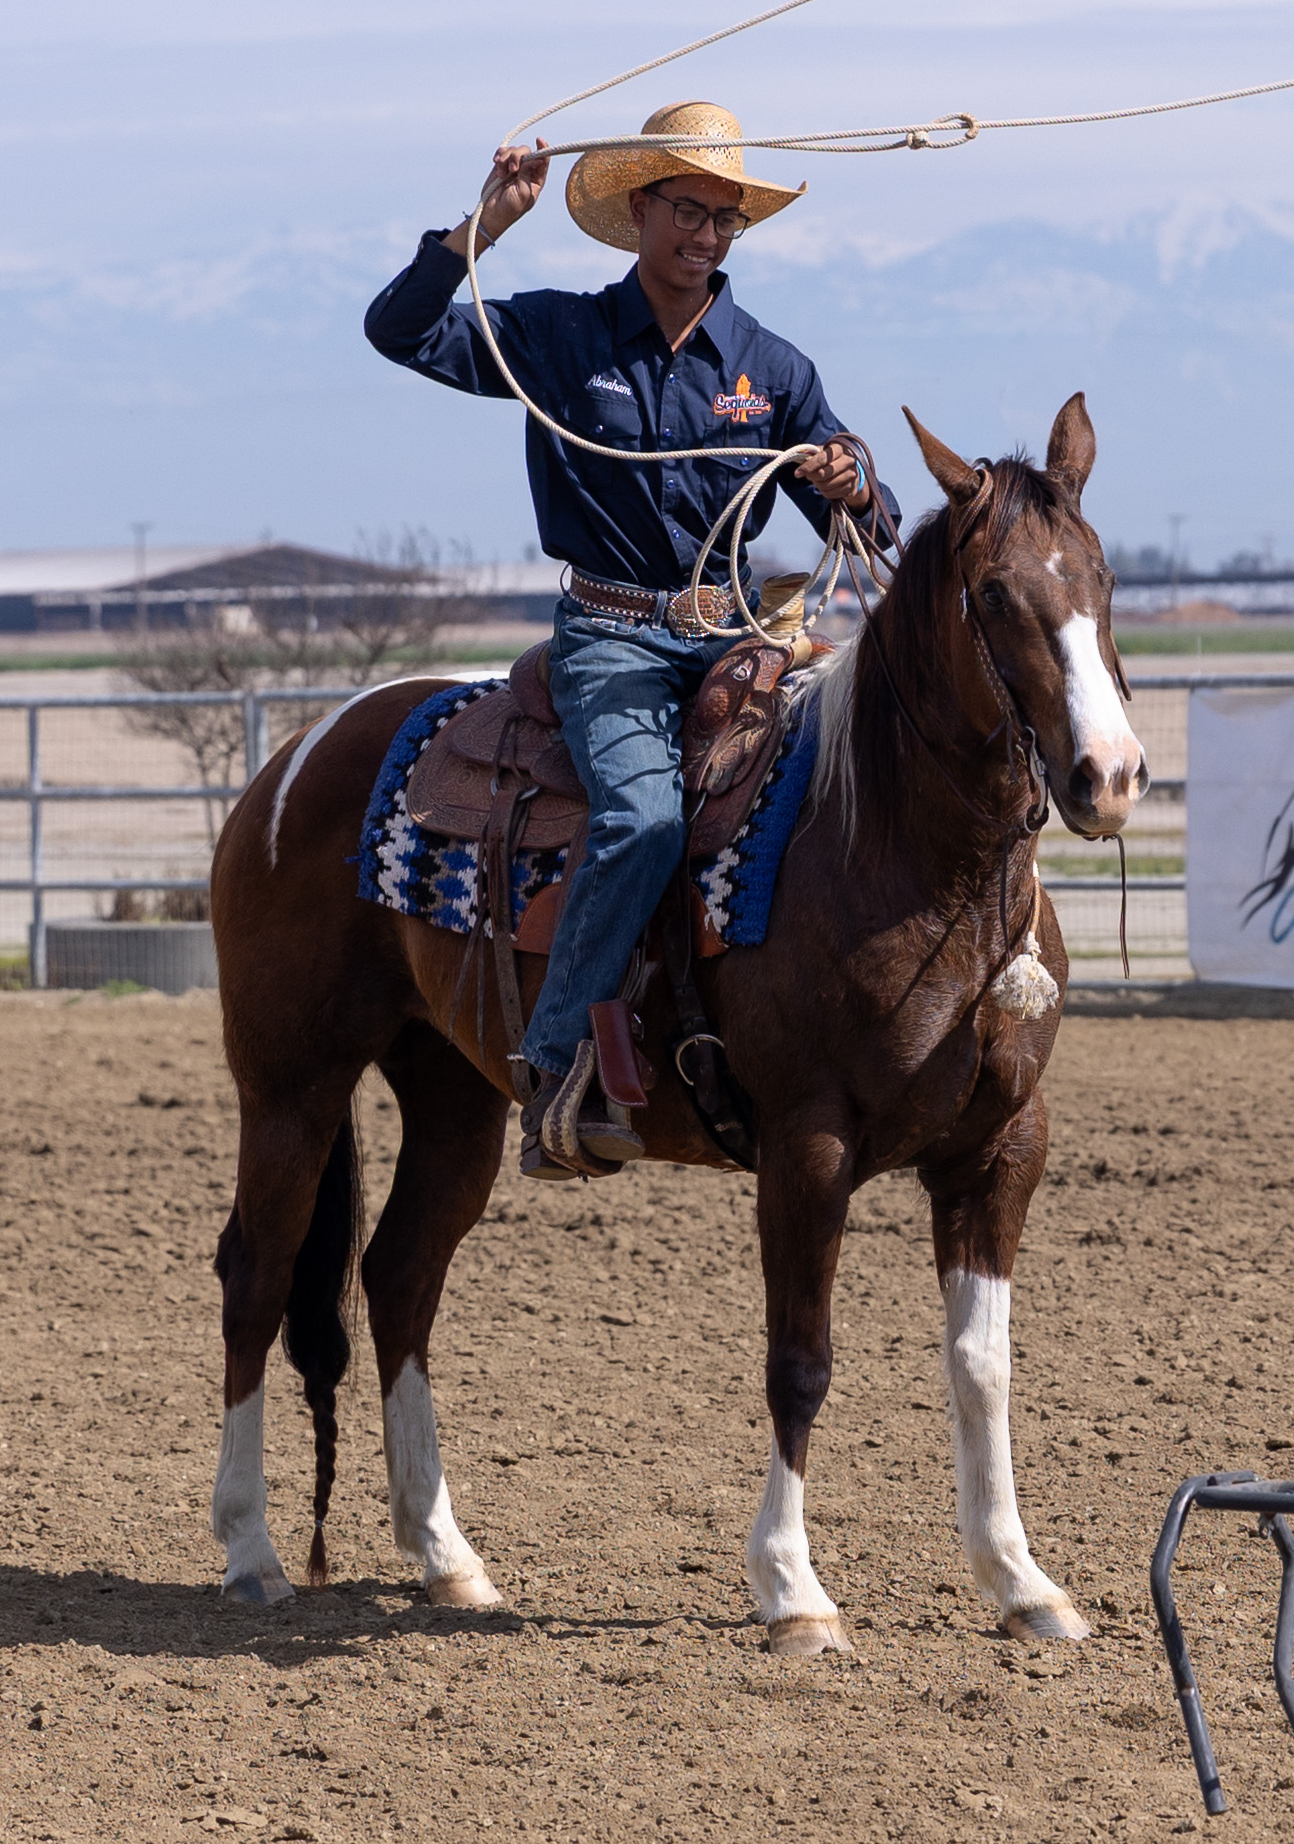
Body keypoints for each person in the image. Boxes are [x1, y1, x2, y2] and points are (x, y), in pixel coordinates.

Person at [365, 99, 898, 1178]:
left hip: (743, 633)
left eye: (724, 220)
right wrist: (484, 227)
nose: (705, 237)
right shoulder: (557, 337)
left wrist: (852, 480)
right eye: (687, 212)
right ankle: (554, 1060)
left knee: (843, 790)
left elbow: (869, 530)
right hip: (608, 633)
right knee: (646, 816)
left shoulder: (771, 368)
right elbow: (400, 333)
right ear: (640, 210)